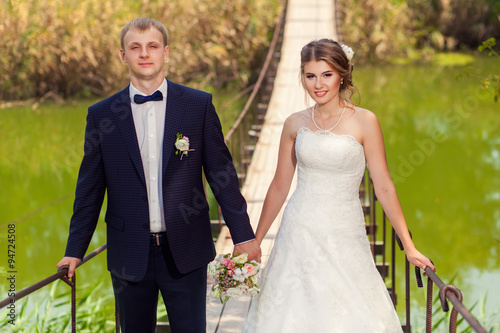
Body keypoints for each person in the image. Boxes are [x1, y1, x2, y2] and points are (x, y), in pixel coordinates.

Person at [56, 17, 261, 333]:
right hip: (128, 252)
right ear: (123, 55)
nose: (144, 54)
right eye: (135, 47)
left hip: (187, 249)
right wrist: (74, 250)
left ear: (166, 52)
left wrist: (243, 234)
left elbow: (221, 172)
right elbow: (90, 188)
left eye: (152, 46)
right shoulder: (101, 115)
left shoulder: (198, 105)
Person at [241, 39, 435, 332]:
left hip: (344, 232)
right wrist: (256, 241)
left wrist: (409, 247)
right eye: (310, 76)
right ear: (302, 77)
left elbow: (383, 186)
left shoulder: (365, 121)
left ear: (342, 75)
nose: (318, 84)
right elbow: (280, 185)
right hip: (299, 230)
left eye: (326, 74)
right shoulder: (294, 123)